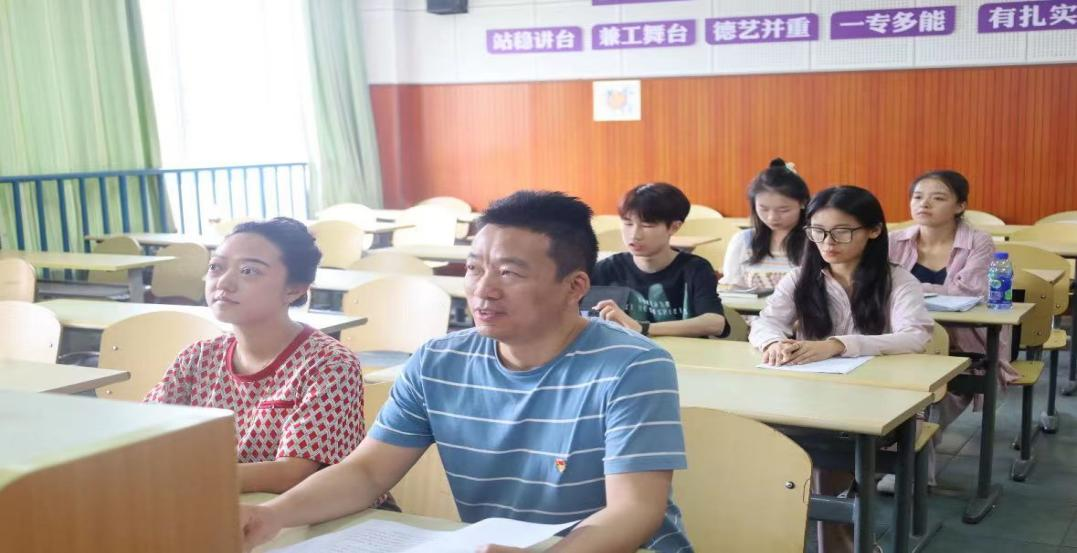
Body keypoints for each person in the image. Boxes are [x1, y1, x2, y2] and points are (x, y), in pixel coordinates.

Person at [240, 191, 692, 553]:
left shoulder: (632, 366)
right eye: (475, 268)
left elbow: (635, 510)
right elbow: (367, 473)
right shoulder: (438, 362)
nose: (483, 290)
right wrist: (273, 515)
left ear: (575, 286)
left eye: (509, 273)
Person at [749, 186, 933, 553]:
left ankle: (840, 543)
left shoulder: (897, 280)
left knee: (826, 452)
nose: (827, 242)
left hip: (879, 402)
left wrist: (838, 344)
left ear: (874, 230)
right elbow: (765, 322)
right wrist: (774, 343)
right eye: (817, 231)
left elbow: (916, 336)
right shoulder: (801, 277)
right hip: (811, 398)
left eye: (842, 232)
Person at [145, 218, 373, 496]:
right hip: (222, 501)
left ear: (294, 289)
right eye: (216, 267)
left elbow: (292, 474)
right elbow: (143, 432)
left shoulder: (329, 364)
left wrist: (184, 479)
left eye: (248, 271)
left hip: (317, 512)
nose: (224, 283)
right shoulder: (197, 357)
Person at [887, 170, 1018, 490]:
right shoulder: (894, 241)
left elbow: (968, 292)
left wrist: (907, 290)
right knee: (896, 393)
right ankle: (904, 465)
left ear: (960, 206)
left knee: (932, 400)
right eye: (918, 197)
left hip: (965, 345)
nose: (924, 204)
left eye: (938, 198)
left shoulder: (978, 242)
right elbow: (880, 288)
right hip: (906, 340)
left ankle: (911, 470)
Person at [591, 182, 727, 338]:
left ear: (674, 227)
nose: (635, 235)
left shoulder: (695, 268)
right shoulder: (606, 269)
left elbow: (715, 323)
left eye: (647, 226)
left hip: (683, 353)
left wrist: (643, 328)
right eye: (628, 224)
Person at [720, 158, 809, 290]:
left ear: (803, 203)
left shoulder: (815, 240)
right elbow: (734, 288)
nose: (772, 217)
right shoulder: (744, 241)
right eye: (764, 209)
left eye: (783, 210)